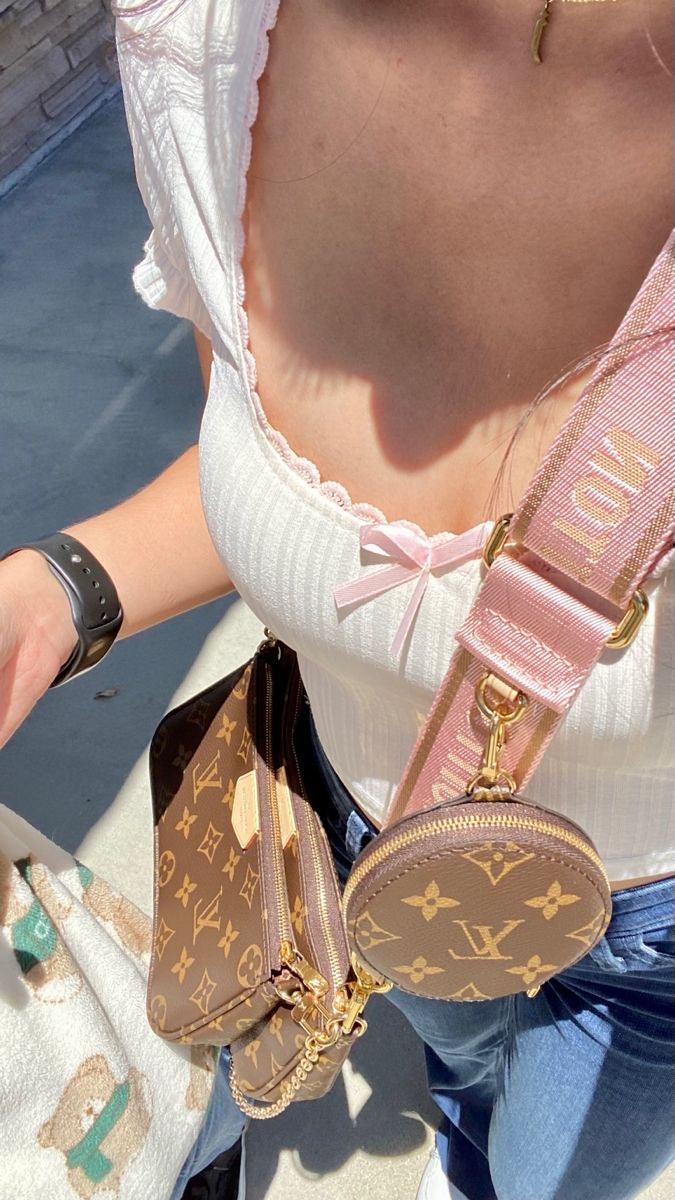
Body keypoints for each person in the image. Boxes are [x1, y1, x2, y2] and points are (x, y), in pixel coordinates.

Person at [1, 1, 673, 1198]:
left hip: (647, 963)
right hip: (363, 845)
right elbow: (254, 475)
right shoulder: (204, 42)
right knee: (461, 1084)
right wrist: (59, 590)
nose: (403, 428)